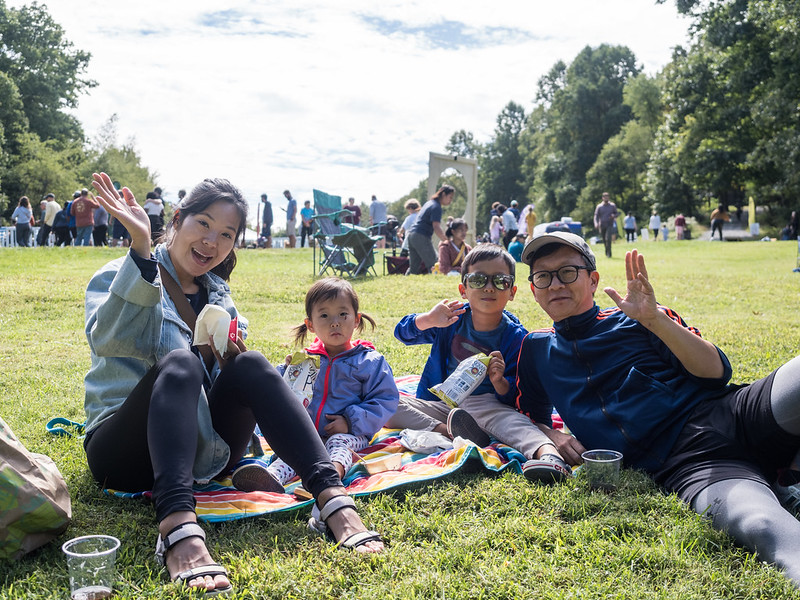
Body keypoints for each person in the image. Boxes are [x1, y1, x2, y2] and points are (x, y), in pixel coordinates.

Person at [83, 172, 384, 595]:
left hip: (204, 450)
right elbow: (107, 338)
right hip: (125, 454)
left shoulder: (219, 292)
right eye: (203, 224)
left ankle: (332, 499)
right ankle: (176, 526)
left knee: (252, 363)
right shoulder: (121, 273)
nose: (212, 241)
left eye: (226, 233)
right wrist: (140, 252)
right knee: (181, 363)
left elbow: (229, 384)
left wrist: (228, 360)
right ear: (177, 219)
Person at [516, 231, 800, 586]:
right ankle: (787, 480)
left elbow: (716, 374)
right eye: (543, 276)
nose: (555, 284)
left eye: (567, 272)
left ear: (593, 280)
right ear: (533, 290)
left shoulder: (639, 317)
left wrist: (654, 320)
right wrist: (551, 433)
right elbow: (528, 413)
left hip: (735, 413)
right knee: (761, 524)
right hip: (688, 466)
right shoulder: (535, 349)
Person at [388, 244, 571, 483]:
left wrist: (500, 383)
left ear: (512, 291)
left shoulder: (517, 338)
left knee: (516, 425)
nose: (488, 287)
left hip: (489, 406)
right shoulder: (451, 319)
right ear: (463, 289)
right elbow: (403, 333)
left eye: (500, 281)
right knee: (386, 403)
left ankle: (549, 456)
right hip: (443, 403)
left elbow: (520, 394)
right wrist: (429, 319)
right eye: (478, 280)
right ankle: (451, 431)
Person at [232, 277, 398, 492]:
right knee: (294, 450)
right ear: (310, 324)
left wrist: (350, 421)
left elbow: (385, 400)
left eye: (343, 314)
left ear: (356, 320)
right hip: (309, 432)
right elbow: (277, 392)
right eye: (324, 315)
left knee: (338, 445)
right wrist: (287, 373)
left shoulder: (369, 361)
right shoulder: (307, 361)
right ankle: (270, 478)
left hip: (351, 434)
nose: (335, 322)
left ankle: (332, 476)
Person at [407, 185, 454, 275]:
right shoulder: (436, 207)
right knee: (435, 264)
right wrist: (446, 241)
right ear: (443, 194)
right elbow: (436, 226)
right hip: (421, 236)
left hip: (411, 235)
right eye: (450, 197)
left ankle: (403, 285)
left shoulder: (429, 203)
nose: (450, 201)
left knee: (414, 269)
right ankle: (437, 285)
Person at [593, 192, 618, 258]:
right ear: (602, 198)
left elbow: (617, 213)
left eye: (607, 196)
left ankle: (609, 254)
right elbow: (596, 215)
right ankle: (607, 251)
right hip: (602, 225)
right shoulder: (599, 206)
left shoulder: (612, 205)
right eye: (605, 197)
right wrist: (596, 223)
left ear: (608, 197)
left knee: (608, 238)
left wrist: (613, 215)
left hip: (609, 224)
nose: (606, 198)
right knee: (604, 240)